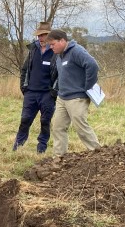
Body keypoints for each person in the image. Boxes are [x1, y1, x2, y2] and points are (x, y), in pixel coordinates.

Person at [47, 29, 101, 156]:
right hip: (62, 97)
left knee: (80, 127)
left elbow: (92, 65)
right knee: (57, 127)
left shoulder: (76, 51)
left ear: (62, 40)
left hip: (77, 98)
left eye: (53, 44)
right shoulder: (59, 55)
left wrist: (88, 87)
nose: (51, 47)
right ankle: (59, 158)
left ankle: (98, 154)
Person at [13, 21, 55, 154]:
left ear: (49, 36)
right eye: (39, 35)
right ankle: (18, 146)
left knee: (45, 122)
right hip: (31, 92)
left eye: (44, 35)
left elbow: (60, 73)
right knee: (25, 120)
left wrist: (54, 91)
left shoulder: (55, 52)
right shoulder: (33, 50)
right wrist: (24, 87)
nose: (41, 38)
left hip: (47, 94)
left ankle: (41, 149)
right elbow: (24, 69)